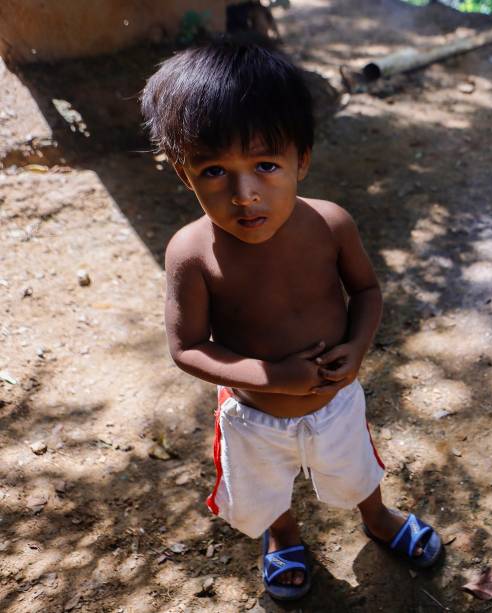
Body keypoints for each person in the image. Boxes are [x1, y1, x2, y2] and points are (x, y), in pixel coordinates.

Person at [141, 39, 442, 601]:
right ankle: (282, 536)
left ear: (301, 158)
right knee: (264, 491)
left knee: (356, 470)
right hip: (254, 418)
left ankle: (377, 518)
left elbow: (367, 291)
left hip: (336, 401)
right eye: (213, 171)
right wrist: (271, 376)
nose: (244, 194)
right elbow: (188, 348)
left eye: (265, 165)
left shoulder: (330, 225)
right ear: (185, 175)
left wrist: (357, 349)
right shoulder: (192, 253)